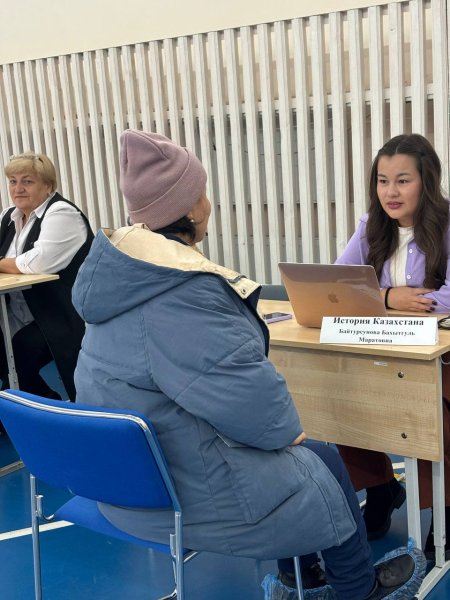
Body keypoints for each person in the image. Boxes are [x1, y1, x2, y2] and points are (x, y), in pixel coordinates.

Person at [72, 130, 425, 599]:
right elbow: (244, 394)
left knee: (300, 452)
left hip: (123, 478)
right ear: (191, 208)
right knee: (318, 459)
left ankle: (301, 577)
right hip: (180, 486)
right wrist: (283, 429)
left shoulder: (119, 278)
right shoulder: (188, 290)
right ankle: (357, 588)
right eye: (202, 192)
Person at [335, 133, 450, 559]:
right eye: (383, 181)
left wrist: (389, 299)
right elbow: (338, 284)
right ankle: (381, 487)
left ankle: (444, 509)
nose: (391, 192)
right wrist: (389, 298)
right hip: (383, 349)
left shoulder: (447, 224)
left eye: (403, 180)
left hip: (439, 355)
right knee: (341, 400)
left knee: (432, 419)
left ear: (426, 181)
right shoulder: (371, 226)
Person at [0, 152, 94, 401]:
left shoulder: (62, 214)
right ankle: (38, 401)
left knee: (20, 351)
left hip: (61, 315)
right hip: (17, 314)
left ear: (48, 186)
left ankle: (40, 404)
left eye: (27, 181)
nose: (18, 189)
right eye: (13, 181)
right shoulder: (8, 217)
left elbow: (38, 262)